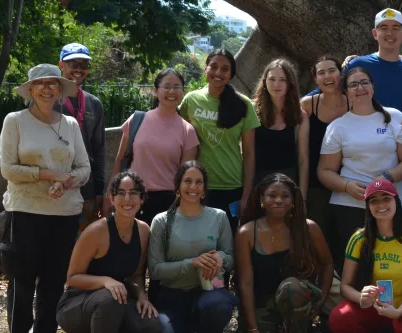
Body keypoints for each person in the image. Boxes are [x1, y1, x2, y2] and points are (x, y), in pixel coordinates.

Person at [0, 64, 91, 333]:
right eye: (41, 84)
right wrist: (48, 174)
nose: (47, 89)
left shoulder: (70, 124)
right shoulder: (15, 121)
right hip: (25, 211)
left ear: (61, 90)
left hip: (64, 213)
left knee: (53, 279)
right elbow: (8, 169)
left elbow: (84, 166)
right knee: (22, 279)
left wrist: (66, 181)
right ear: (30, 89)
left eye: (53, 84)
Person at [317, 67, 402, 274]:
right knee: (357, 270)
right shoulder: (338, 127)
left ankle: (396, 307)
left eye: (364, 82)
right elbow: (325, 171)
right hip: (349, 205)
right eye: (353, 84)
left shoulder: (394, 117)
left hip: (392, 203)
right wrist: (346, 186)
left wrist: (385, 180)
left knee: (395, 267)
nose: (360, 88)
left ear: (373, 87)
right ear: (346, 91)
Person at [57, 171, 162, 333]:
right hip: (76, 306)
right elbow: (72, 278)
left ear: (142, 199)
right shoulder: (96, 231)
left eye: (134, 193)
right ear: (112, 199)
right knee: (111, 298)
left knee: (151, 327)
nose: (127, 198)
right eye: (121, 193)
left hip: (116, 303)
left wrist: (142, 296)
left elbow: (135, 275)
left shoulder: (144, 231)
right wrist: (105, 281)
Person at [329, 179, 402, 333]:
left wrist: (397, 312)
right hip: (374, 307)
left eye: (386, 198)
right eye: (374, 201)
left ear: (396, 201)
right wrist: (362, 297)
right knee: (340, 318)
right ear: (368, 207)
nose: (380, 205)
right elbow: (345, 287)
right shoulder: (359, 238)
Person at [235, 173, 333, 333]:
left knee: (291, 288)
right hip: (263, 301)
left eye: (285, 196)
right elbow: (246, 282)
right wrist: (252, 328)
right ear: (262, 200)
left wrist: (322, 300)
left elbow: (327, 264)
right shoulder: (247, 233)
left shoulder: (308, 228)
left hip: (298, 298)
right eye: (272, 195)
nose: (278, 200)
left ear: (293, 200)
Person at [148, 161, 237, 333]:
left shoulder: (218, 216)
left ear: (204, 189)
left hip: (208, 294)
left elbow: (231, 259)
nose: (193, 187)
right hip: (173, 297)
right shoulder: (162, 221)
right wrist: (192, 263)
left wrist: (220, 258)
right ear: (178, 187)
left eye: (199, 182)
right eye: (187, 181)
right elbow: (155, 270)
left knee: (218, 307)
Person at [105, 68, 199, 226]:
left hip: (167, 203)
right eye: (167, 86)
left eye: (177, 87)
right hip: (132, 197)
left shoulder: (187, 131)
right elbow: (120, 159)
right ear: (156, 91)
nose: (172, 91)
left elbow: (186, 177)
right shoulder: (136, 120)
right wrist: (110, 193)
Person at [180, 48, 261, 227]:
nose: (218, 73)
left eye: (225, 69)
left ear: (231, 74)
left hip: (231, 186)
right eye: (213, 66)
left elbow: (249, 153)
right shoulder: (190, 100)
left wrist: (246, 196)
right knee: (197, 238)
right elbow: (178, 139)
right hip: (197, 185)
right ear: (205, 68)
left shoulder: (244, 105)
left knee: (227, 242)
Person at [57, 42, 106, 231]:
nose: (79, 70)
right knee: (57, 247)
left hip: (87, 189)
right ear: (61, 64)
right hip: (54, 188)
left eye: (84, 65)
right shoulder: (47, 99)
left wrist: (100, 190)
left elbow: (99, 150)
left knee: (84, 246)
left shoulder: (94, 104)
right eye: (73, 64)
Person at [300, 55, 349, 236]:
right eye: (321, 73)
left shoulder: (355, 104)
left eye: (332, 71)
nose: (327, 77)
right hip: (315, 185)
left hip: (348, 183)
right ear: (315, 78)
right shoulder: (308, 105)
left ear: (341, 74)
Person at [252, 58, 309, 198]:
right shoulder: (252, 111)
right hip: (257, 182)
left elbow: (303, 159)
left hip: (288, 185)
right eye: (272, 79)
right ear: (264, 81)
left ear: (290, 83)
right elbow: (247, 155)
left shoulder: (300, 116)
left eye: (282, 80)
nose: (276, 84)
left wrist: (302, 197)